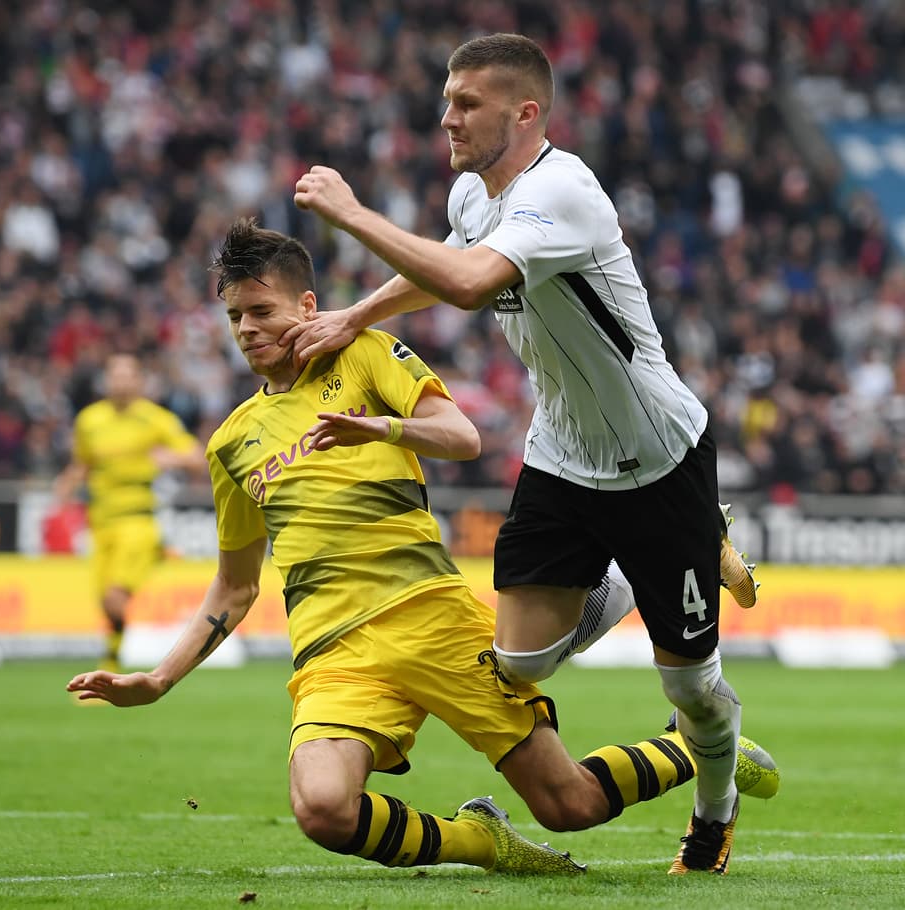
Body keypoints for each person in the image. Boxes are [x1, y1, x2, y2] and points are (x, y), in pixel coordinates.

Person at [69, 219, 778, 876]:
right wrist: (158, 679)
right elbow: (233, 588)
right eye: (234, 318)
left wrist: (381, 430)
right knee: (321, 808)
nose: (247, 330)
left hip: (430, 616)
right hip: (332, 654)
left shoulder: (365, 353)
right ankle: (482, 840)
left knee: (571, 806)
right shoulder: (230, 444)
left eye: (262, 311)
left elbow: (463, 436)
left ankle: (695, 744)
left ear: (307, 304)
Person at [288, 33, 760, 874]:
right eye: (447, 100)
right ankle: (642, 573)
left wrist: (351, 213)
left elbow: (471, 285)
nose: (447, 118)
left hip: (660, 461)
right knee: (516, 663)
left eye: (467, 103)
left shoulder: (564, 191)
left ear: (526, 111)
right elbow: (447, 266)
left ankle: (714, 814)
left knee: (691, 691)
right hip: (562, 458)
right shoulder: (476, 194)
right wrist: (355, 318)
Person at [55, 353, 203, 672]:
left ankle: (113, 664)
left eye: (128, 375)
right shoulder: (89, 421)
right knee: (106, 604)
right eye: (115, 375)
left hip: (137, 519)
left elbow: (195, 456)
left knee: (115, 597)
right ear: (106, 381)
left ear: (139, 381)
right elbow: (83, 463)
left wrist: (170, 459)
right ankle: (110, 661)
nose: (121, 382)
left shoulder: (155, 419)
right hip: (101, 522)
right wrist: (65, 487)